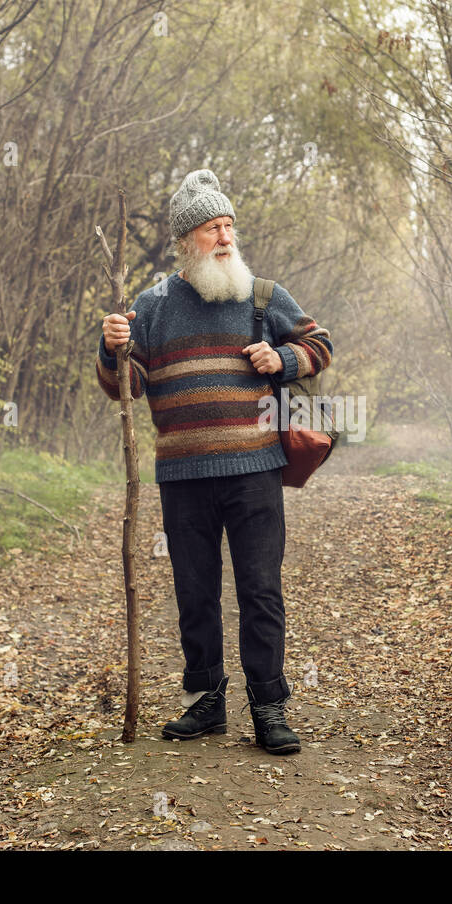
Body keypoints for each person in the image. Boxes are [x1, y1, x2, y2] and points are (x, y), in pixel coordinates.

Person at [98, 169, 333, 754]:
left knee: (260, 590)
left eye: (229, 226)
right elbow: (125, 387)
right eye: (211, 228)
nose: (225, 237)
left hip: (255, 471)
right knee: (194, 592)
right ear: (187, 241)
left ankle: (269, 707)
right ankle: (205, 702)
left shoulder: (262, 295)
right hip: (182, 477)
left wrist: (284, 358)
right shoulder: (151, 307)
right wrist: (110, 347)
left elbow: (320, 344)